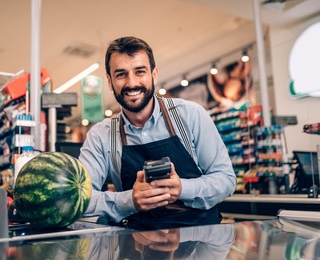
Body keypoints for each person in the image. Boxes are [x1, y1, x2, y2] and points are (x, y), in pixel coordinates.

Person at [78, 36, 236, 230]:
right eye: (121, 74)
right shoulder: (100, 136)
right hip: (136, 244)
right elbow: (80, 197)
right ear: (110, 82)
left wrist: (181, 189)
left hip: (200, 238)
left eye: (140, 72)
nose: (132, 83)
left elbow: (225, 179)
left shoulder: (190, 115)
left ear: (154, 74)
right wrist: (129, 199)